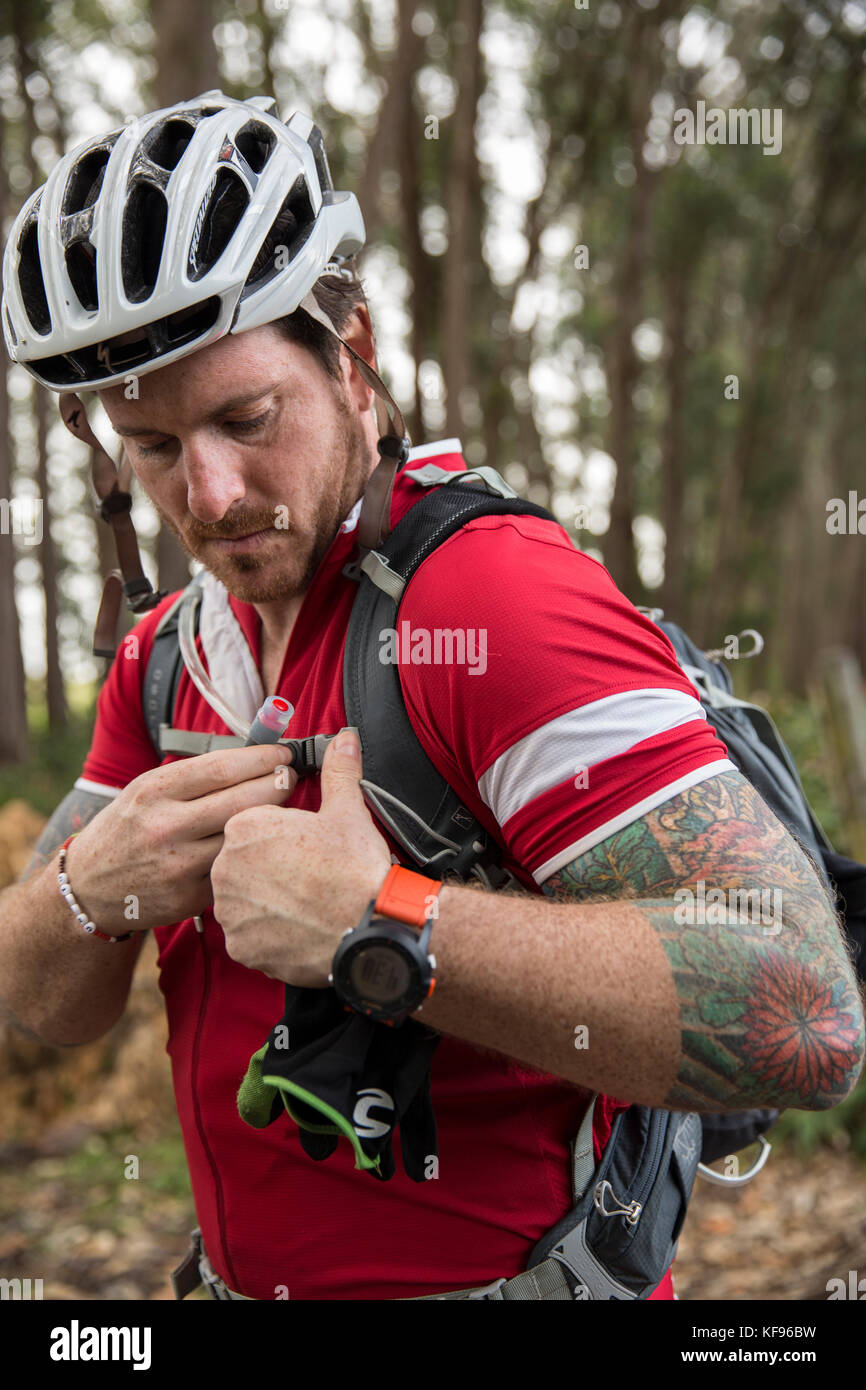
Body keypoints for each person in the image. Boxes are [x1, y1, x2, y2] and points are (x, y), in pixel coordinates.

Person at [0, 92, 862, 1302]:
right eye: (151, 447)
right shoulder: (166, 652)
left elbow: (805, 1010)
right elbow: (38, 1003)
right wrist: (95, 887)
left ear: (351, 356)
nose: (209, 492)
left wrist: (383, 923)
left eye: (246, 417)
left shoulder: (492, 603)